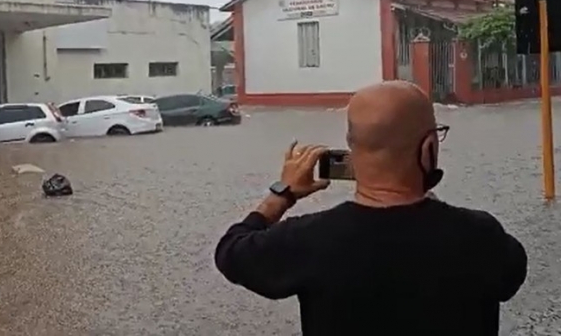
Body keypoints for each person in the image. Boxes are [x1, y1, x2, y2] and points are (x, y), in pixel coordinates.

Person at [214, 80, 527, 336]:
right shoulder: (480, 236)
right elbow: (511, 275)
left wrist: (281, 194)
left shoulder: (308, 240)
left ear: (351, 150)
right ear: (429, 147)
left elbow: (230, 251)